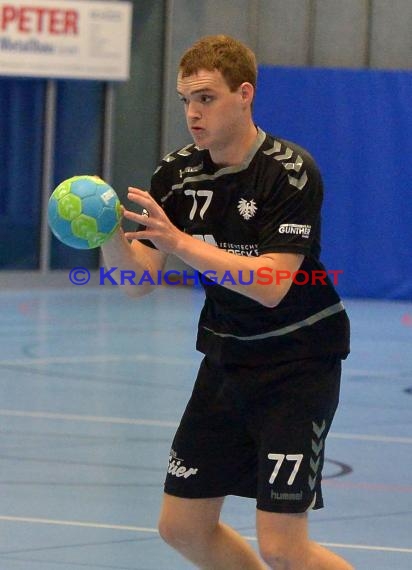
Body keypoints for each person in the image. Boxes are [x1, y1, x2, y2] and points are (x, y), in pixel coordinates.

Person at [102, 34, 353, 570]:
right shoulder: (175, 175)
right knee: (182, 528)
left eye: (206, 98)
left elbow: (271, 283)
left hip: (297, 366)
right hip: (225, 363)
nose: (193, 113)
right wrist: (104, 235)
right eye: (185, 100)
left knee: (284, 549)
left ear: (244, 94)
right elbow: (136, 280)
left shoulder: (290, 171)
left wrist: (181, 243)